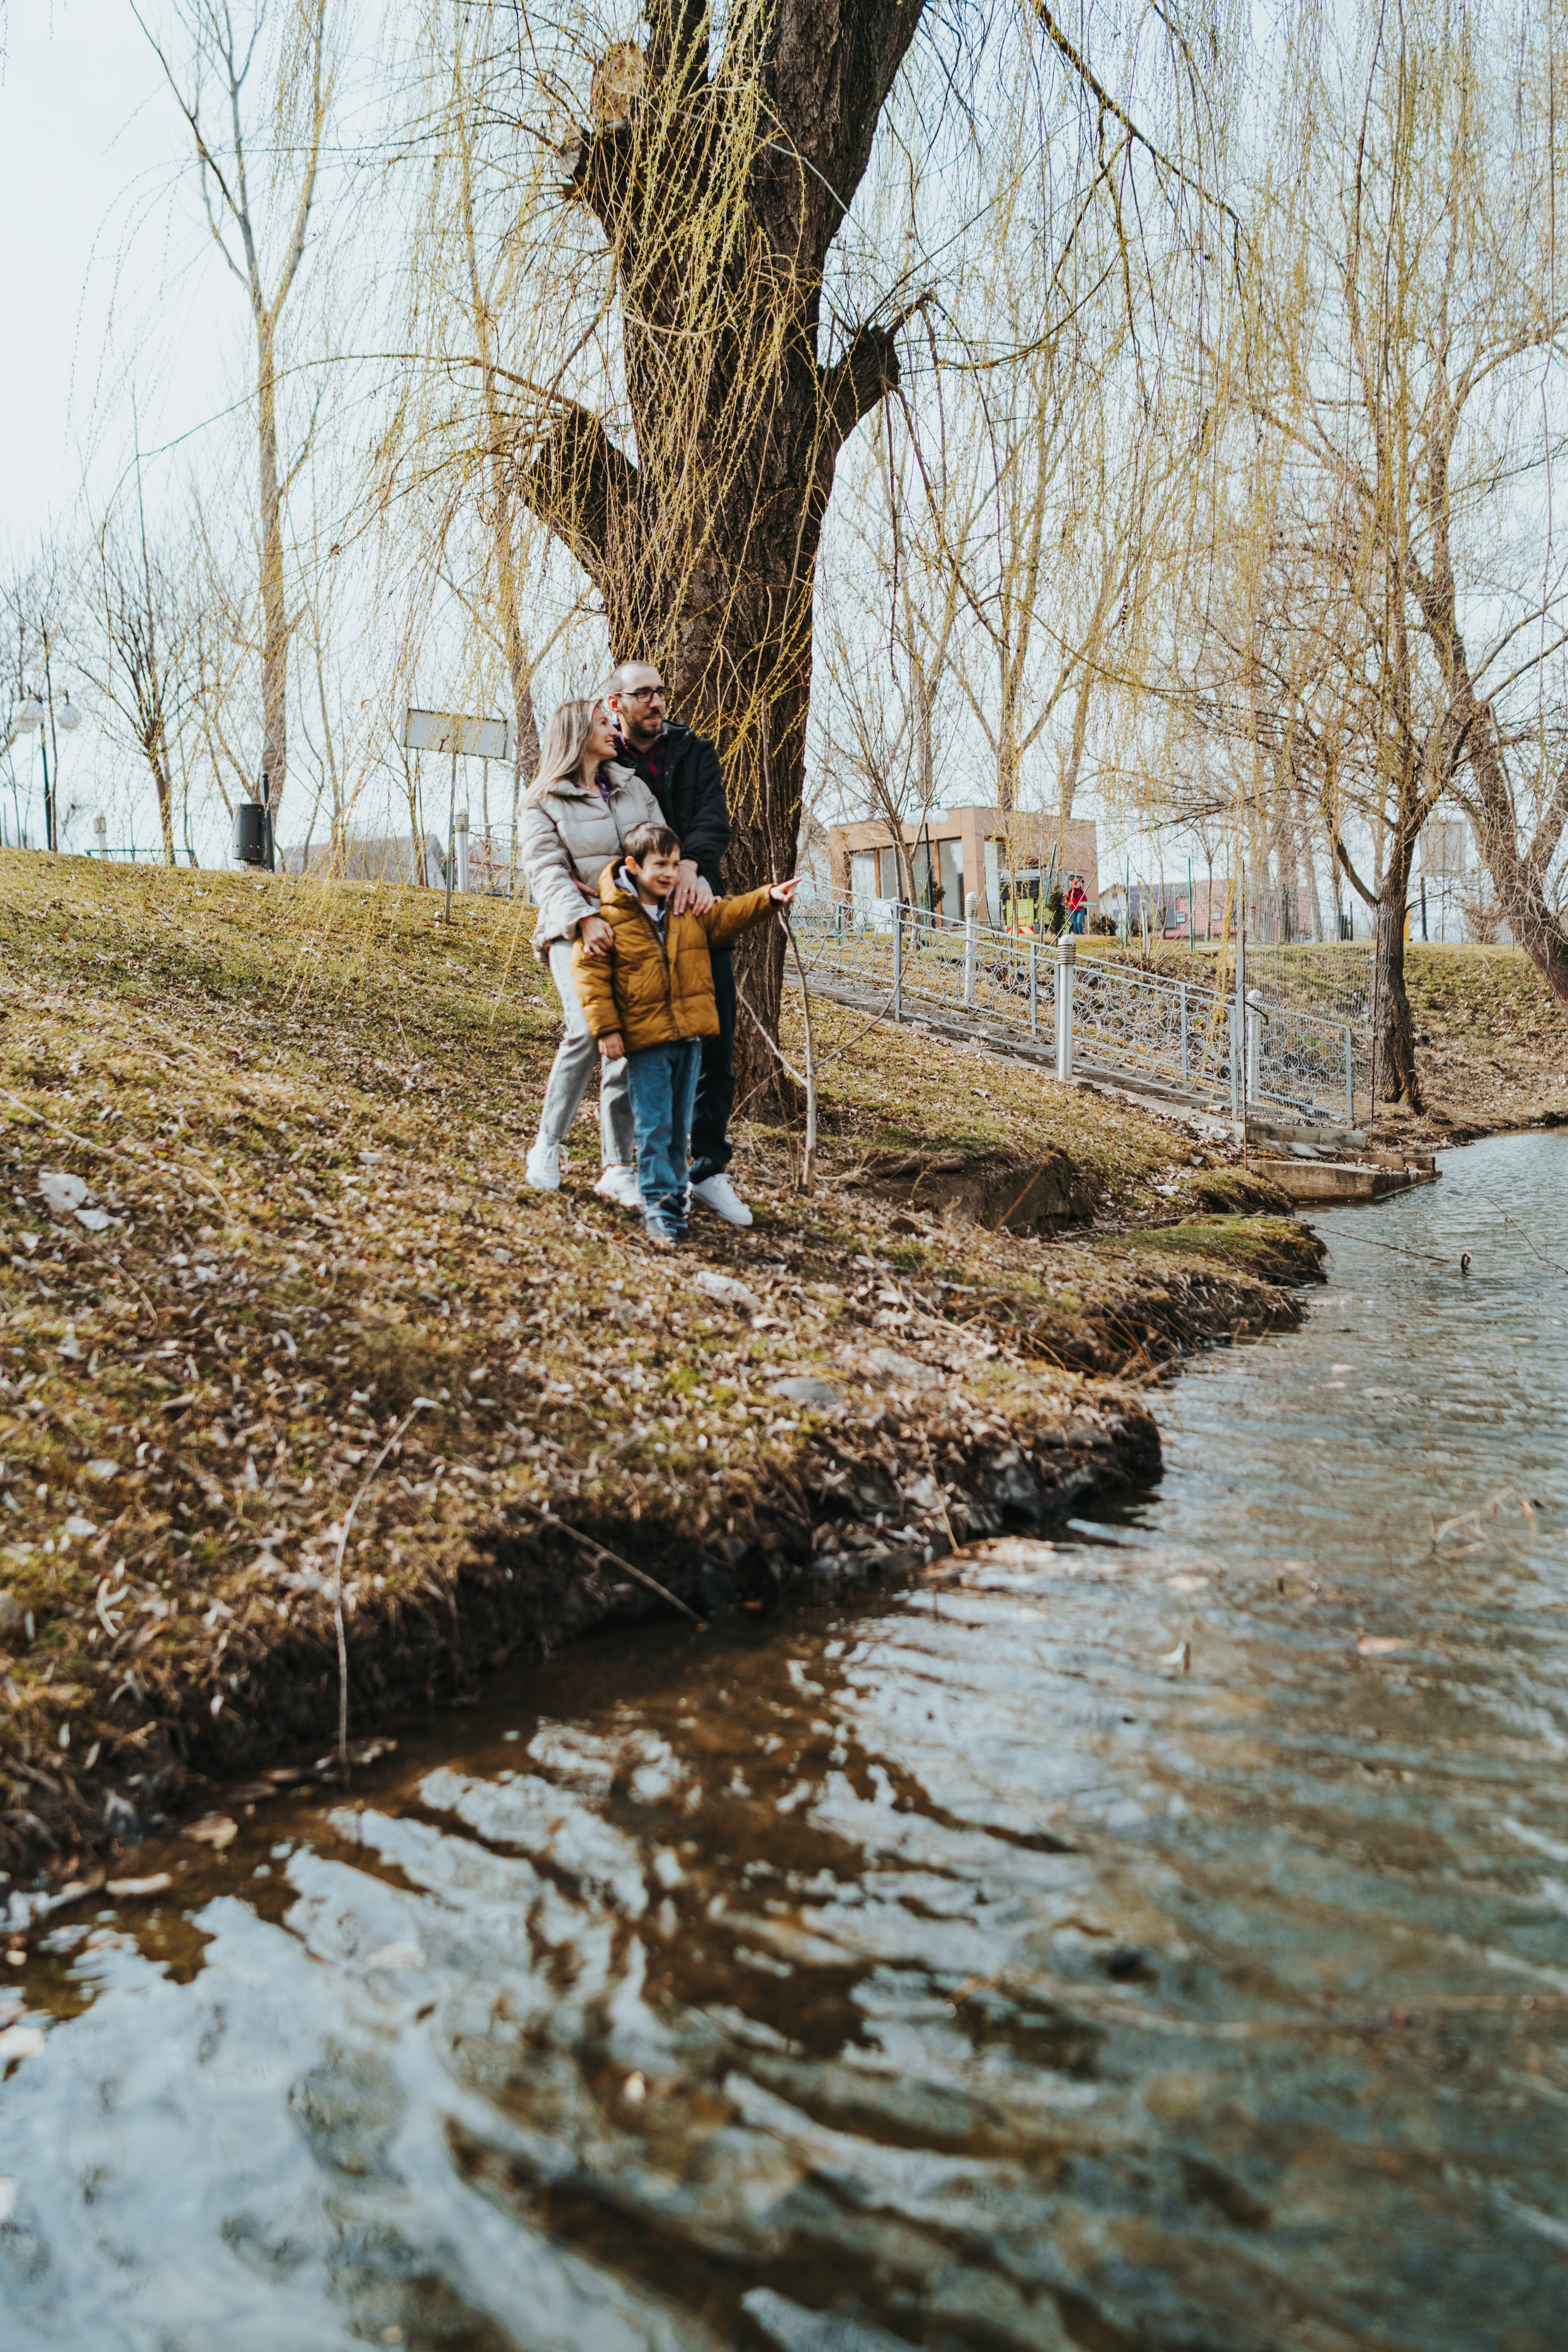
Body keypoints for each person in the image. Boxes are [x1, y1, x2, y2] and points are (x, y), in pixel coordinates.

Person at [572, 821, 797, 1246]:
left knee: (678, 1127)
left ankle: (675, 1199)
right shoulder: (611, 917)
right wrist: (606, 1029)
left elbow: (728, 915)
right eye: (660, 864)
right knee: (654, 1125)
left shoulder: (686, 910)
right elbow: (591, 975)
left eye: (675, 864)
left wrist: (768, 899)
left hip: (690, 1039)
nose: (670, 873)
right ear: (634, 866)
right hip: (646, 1043)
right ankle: (659, 1205)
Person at [605, 659, 752, 1228]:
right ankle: (638, 1171)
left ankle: (709, 1167)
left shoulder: (694, 752)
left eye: (660, 692)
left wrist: (691, 864)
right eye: (642, 694)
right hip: (634, 927)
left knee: (715, 1039)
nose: (656, 702)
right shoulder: (602, 759)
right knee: (635, 1052)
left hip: (694, 909)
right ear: (616, 702)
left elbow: (714, 818)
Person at [517, 695, 665, 1201]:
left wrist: (616, 892)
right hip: (570, 932)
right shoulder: (542, 801)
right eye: (604, 723)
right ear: (578, 734)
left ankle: (617, 1166)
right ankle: (547, 1144)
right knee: (586, 1028)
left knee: (626, 1042)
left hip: (632, 928)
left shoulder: (634, 788)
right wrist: (583, 918)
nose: (613, 730)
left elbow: (658, 849)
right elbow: (545, 871)